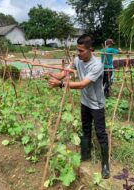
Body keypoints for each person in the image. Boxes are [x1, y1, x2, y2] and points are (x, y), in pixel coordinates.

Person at [48, 34, 110, 179]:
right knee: (86, 128)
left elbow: (83, 84)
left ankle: (105, 164)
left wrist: (61, 84)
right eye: (77, 50)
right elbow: (65, 73)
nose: (78, 53)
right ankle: (85, 154)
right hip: (85, 102)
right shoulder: (77, 60)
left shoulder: (97, 65)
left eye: (81, 50)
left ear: (90, 50)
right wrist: (54, 75)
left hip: (97, 104)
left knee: (101, 133)